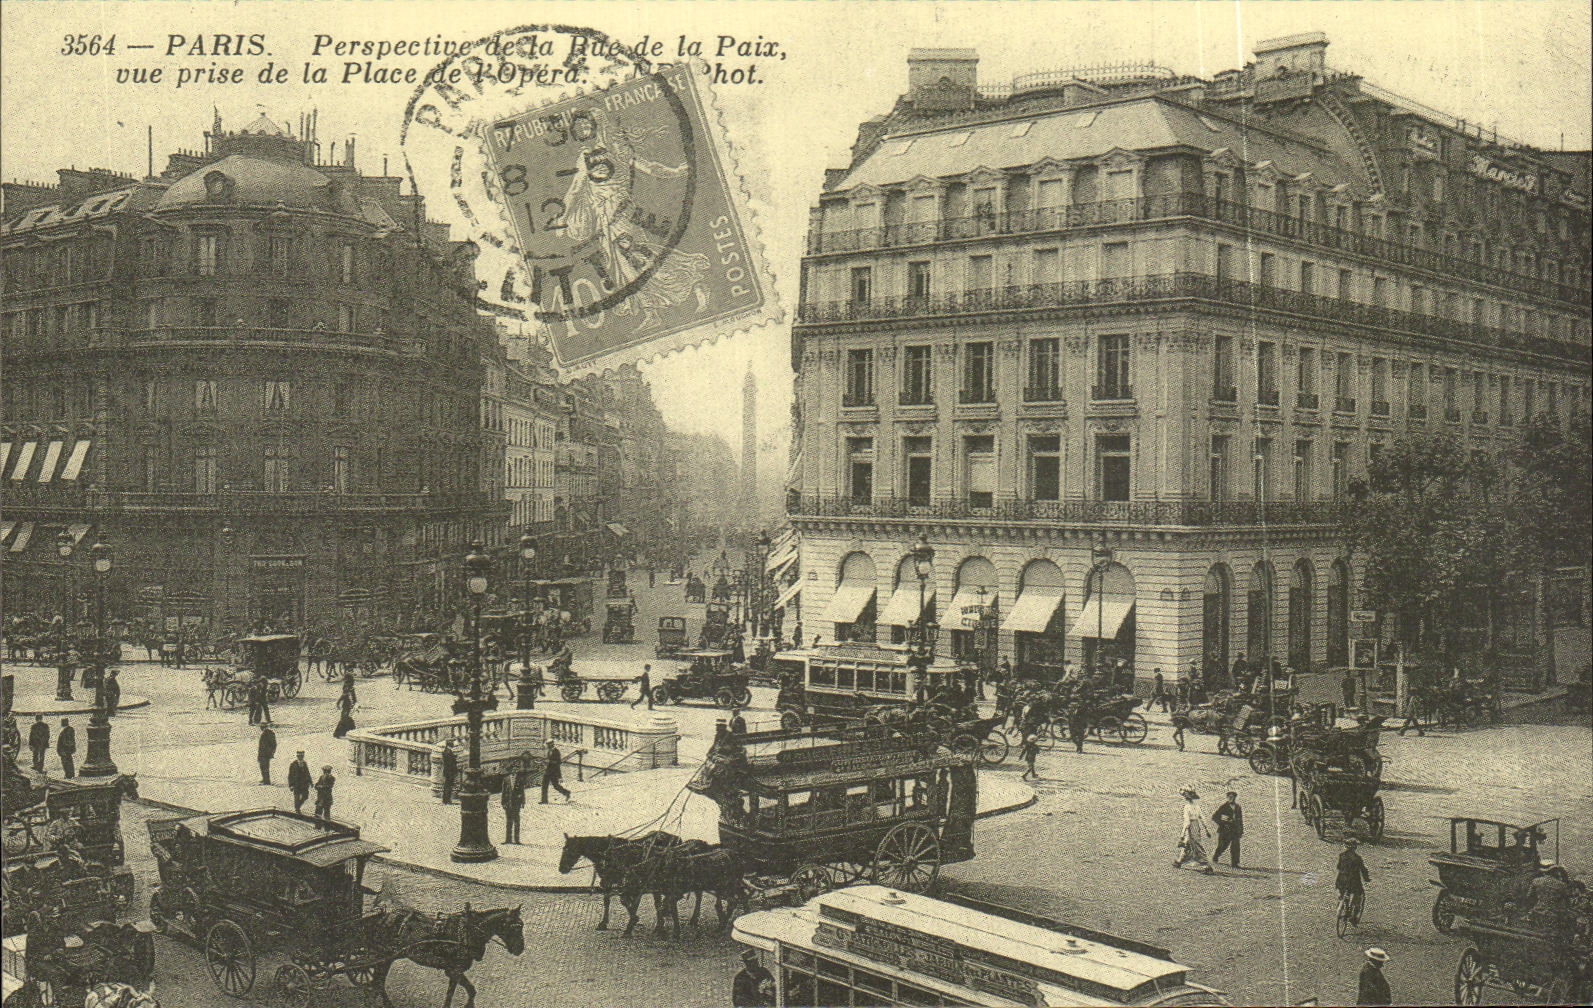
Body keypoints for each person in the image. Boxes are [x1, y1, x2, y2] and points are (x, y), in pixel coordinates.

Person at [1173, 787, 1215, 873]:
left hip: (1191, 827)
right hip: (1197, 826)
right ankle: (1179, 861)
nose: (1184, 796)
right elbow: (1202, 818)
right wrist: (1207, 830)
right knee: (1188, 844)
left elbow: (1187, 822)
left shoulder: (1187, 807)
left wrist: (1182, 835)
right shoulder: (1196, 806)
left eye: (1185, 794)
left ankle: (1207, 866)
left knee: (1196, 845)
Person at [1337, 837, 1371, 925]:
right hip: (1353, 881)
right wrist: (1366, 878)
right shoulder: (1357, 858)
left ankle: (1342, 905)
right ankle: (1354, 917)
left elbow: (1338, 867)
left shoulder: (1342, 856)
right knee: (1358, 896)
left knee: (1343, 893)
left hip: (1342, 880)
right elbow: (1363, 870)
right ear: (1355, 847)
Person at [1213, 791, 1244, 868]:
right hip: (1225, 830)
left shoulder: (1238, 807)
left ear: (1235, 798)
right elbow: (1215, 817)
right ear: (1227, 798)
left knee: (1235, 846)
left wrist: (1241, 830)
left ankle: (1235, 863)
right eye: (1229, 797)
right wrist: (1223, 822)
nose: (1231, 798)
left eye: (1232, 797)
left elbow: (1240, 820)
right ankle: (1215, 856)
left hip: (1235, 830)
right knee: (1222, 846)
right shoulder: (1223, 807)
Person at [540, 739, 571, 803]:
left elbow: (558, 762)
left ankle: (567, 793)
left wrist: (549, 761)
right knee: (545, 786)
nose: (547, 745)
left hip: (553, 772)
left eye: (548, 744)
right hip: (548, 771)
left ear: (551, 744)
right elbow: (548, 760)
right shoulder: (549, 751)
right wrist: (543, 761)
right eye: (547, 744)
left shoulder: (556, 752)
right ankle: (544, 800)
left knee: (555, 786)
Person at [501, 770, 523, 844]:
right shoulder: (506, 779)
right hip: (508, 803)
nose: (514, 773)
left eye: (515, 771)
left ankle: (517, 840)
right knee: (509, 822)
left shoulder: (520, 779)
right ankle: (508, 840)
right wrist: (503, 802)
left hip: (516, 804)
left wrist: (522, 802)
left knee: (517, 822)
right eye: (512, 771)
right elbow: (503, 792)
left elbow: (522, 791)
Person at [440, 739, 459, 804]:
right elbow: (450, 763)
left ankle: (445, 800)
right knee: (448, 786)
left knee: (447, 785)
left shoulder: (447, 751)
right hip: (449, 772)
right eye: (452, 743)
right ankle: (447, 800)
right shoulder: (448, 752)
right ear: (450, 744)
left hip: (447, 771)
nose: (453, 744)